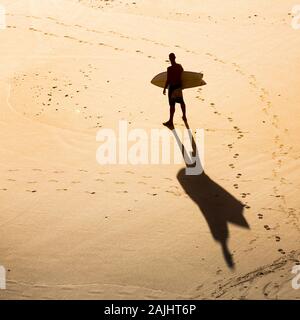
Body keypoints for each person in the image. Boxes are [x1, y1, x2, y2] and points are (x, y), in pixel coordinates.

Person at [163, 53, 187, 129]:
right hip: (178, 87)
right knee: (181, 102)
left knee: (172, 105)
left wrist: (164, 88)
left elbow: (168, 80)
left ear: (170, 59)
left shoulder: (169, 69)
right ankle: (184, 116)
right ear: (175, 58)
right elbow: (183, 75)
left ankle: (171, 121)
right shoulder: (179, 66)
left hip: (172, 88)